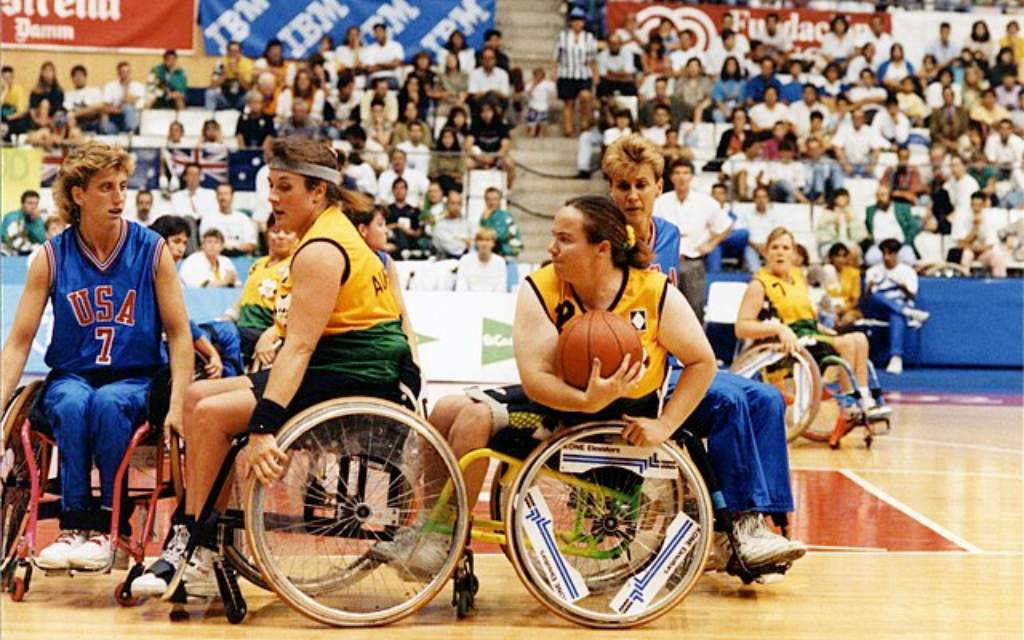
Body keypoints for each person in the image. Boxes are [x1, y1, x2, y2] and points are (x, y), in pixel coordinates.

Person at [132, 136, 415, 597]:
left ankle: (197, 546)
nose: (273, 198)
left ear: (317, 191)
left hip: (355, 373)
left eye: (285, 187)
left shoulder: (322, 248)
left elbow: (299, 350)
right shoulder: (330, 230)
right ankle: (194, 535)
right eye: (271, 185)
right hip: (346, 361)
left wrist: (265, 424)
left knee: (209, 413)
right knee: (195, 396)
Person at [381, 193, 719, 576]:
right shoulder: (541, 287)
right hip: (561, 406)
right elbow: (537, 379)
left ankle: (445, 539)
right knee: (445, 409)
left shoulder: (653, 293)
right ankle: (431, 527)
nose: (551, 247)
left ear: (602, 249)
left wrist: (665, 424)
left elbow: (702, 361)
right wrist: (585, 399)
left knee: (474, 419)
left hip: (616, 426)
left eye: (565, 238)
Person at [0, 141, 192, 570]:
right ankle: (72, 529)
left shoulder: (152, 250)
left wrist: (178, 402)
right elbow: (17, 342)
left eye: (123, 186)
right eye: (106, 187)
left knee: (106, 404)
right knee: (72, 401)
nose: (119, 197)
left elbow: (180, 336)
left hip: (136, 378)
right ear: (78, 195)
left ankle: (110, 527)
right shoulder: (50, 257)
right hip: (72, 375)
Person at [736, 227, 881, 419]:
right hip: (786, 346)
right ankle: (848, 405)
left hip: (810, 334)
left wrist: (823, 329)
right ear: (766, 252)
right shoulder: (759, 284)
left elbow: (807, 317)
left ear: (794, 253)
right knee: (846, 343)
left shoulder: (797, 277)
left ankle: (864, 397)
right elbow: (741, 328)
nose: (780, 252)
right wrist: (779, 329)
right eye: (775, 247)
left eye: (786, 248)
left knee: (859, 339)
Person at [653, 158, 732, 323]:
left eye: (685, 173)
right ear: (671, 177)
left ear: (691, 177)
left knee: (695, 310)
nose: (681, 177)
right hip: (667, 262)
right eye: (677, 173)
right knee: (664, 309)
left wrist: (711, 244)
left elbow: (726, 225)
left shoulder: (705, 202)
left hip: (693, 261)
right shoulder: (660, 202)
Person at [223, 214, 296, 364]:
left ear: (297, 237)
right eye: (275, 231)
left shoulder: (296, 266)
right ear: (267, 234)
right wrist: (225, 319)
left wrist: (273, 334)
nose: (280, 236)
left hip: (265, 331)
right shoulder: (258, 264)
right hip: (243, 329)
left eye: (287, 232)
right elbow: (244, 298)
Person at [864, 239, 931, 375]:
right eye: (884, 253)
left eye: (890, 253)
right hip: (877, 309)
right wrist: (869, 288)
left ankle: (896, 358)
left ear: (897, 254)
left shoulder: (908, 271)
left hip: (899, 304)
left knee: (896, 315)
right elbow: (867, 299)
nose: (887, 257)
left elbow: (912, 296)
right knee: (876, 295)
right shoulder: (873, 271)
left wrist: (903, 287)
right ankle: (908, 312)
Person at [553, 7, 598, 137]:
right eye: (575, 21)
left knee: (585, 96)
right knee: (568, 102)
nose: (578, 24)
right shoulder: (563, 36)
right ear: (571, 22)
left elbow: (593, 59)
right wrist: (554, 73)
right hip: (566, 73)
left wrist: (595, 75)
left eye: (580, 21)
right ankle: (568, 128)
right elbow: (555, 57)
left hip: (584, 73)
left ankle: (584, 122)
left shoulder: (589, 38)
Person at [954, 191, 1008, 278]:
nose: (976, 208)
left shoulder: (989, 218)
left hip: (983, 252)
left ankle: (1000, 287)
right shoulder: (962, 217)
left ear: (984, 205)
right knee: (967, 255)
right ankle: (963, 284)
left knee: (997, 259)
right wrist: (975, 229)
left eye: (979, 205)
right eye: (973, 205)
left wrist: (980, 248)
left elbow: (990, 245)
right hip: (967, 251)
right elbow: (960, 244)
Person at [864, 184, 920, 266]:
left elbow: (914, 225)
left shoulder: (902, 208)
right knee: (870, 259)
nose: (879, 198)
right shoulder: (870, 211)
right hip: (879, 247)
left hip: (900, 245)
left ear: (889, 196)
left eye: (882, 195)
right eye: (877, 195)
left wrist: (907, 241)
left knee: (909, 260)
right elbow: (868, 227)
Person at [200, 183, 258, 256]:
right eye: (220, 194)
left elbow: (252, 244)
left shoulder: (243, 218)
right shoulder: (208, 218)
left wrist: (235, 248)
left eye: (226, 194)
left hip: (240, 257)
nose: (223, 197)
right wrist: (221, 248)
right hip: (215, 257)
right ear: (216, 196)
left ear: (232, 196)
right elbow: (204, 244)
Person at [815, 188, 867, 263]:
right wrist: (833, 224)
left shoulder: (852, 214)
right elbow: (821, 236)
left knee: (854, 252)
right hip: (830, 245)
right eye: (842, 196)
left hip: (849, 244)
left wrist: (851, 223)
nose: (844, 199)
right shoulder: (826, 214)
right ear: (835, 199)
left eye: (846, 196)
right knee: (838, 253)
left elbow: (861, 235)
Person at [205, 41, 254, 112]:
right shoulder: (220, 63)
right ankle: (209, 118)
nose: (233, 54)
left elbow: (248, 87)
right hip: (225, 98)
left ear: (240, 52)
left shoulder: (247, 64)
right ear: (227, 52)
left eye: (236, 51)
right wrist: (224, 75)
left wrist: (237, 73)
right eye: (231, 51)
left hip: (241, 98)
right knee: (210, 93)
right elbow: (212, 86)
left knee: (251, 95)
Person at [455, 228, 507, 292]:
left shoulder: (500, 262)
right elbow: (461, 287)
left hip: (493, 300)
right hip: (469, 299)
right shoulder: (465, 260)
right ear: (476, 242)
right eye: (481, 240)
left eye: (488, 240)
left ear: (493, 243)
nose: (484, 243)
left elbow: (501, 288)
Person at [478, 186, 523, 258]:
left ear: (499, 200)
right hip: (492, 252)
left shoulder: (505, 216)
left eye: (495, 199)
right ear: (485, 200)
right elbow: (482, 236)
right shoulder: (485, 215)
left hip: (507, 252)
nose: (491, 202)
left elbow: (499, 236)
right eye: (489, 199)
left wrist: (485, 221)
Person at [101, 62, 144, 134]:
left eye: (128, 72)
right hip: (115, 119)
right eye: (123, 72)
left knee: (128, 108)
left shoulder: (138, 86)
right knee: (105, 126)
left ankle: (130, 131)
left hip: (132, 119)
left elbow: (128, 101)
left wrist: (125, 87)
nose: (126, 75)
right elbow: (106, 107)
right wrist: (119, 110)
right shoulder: (110, 86)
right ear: (118, 73)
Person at [1, 190, 45, 255]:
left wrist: (34, 222)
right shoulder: (12, 217)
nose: (33, 206)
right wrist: (33, 248)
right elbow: (13, 242)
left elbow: (41, 240)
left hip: (24, 254)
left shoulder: (37, 219)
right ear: (22, 204)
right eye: (30, 203)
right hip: (6, 253)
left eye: (36, 203)